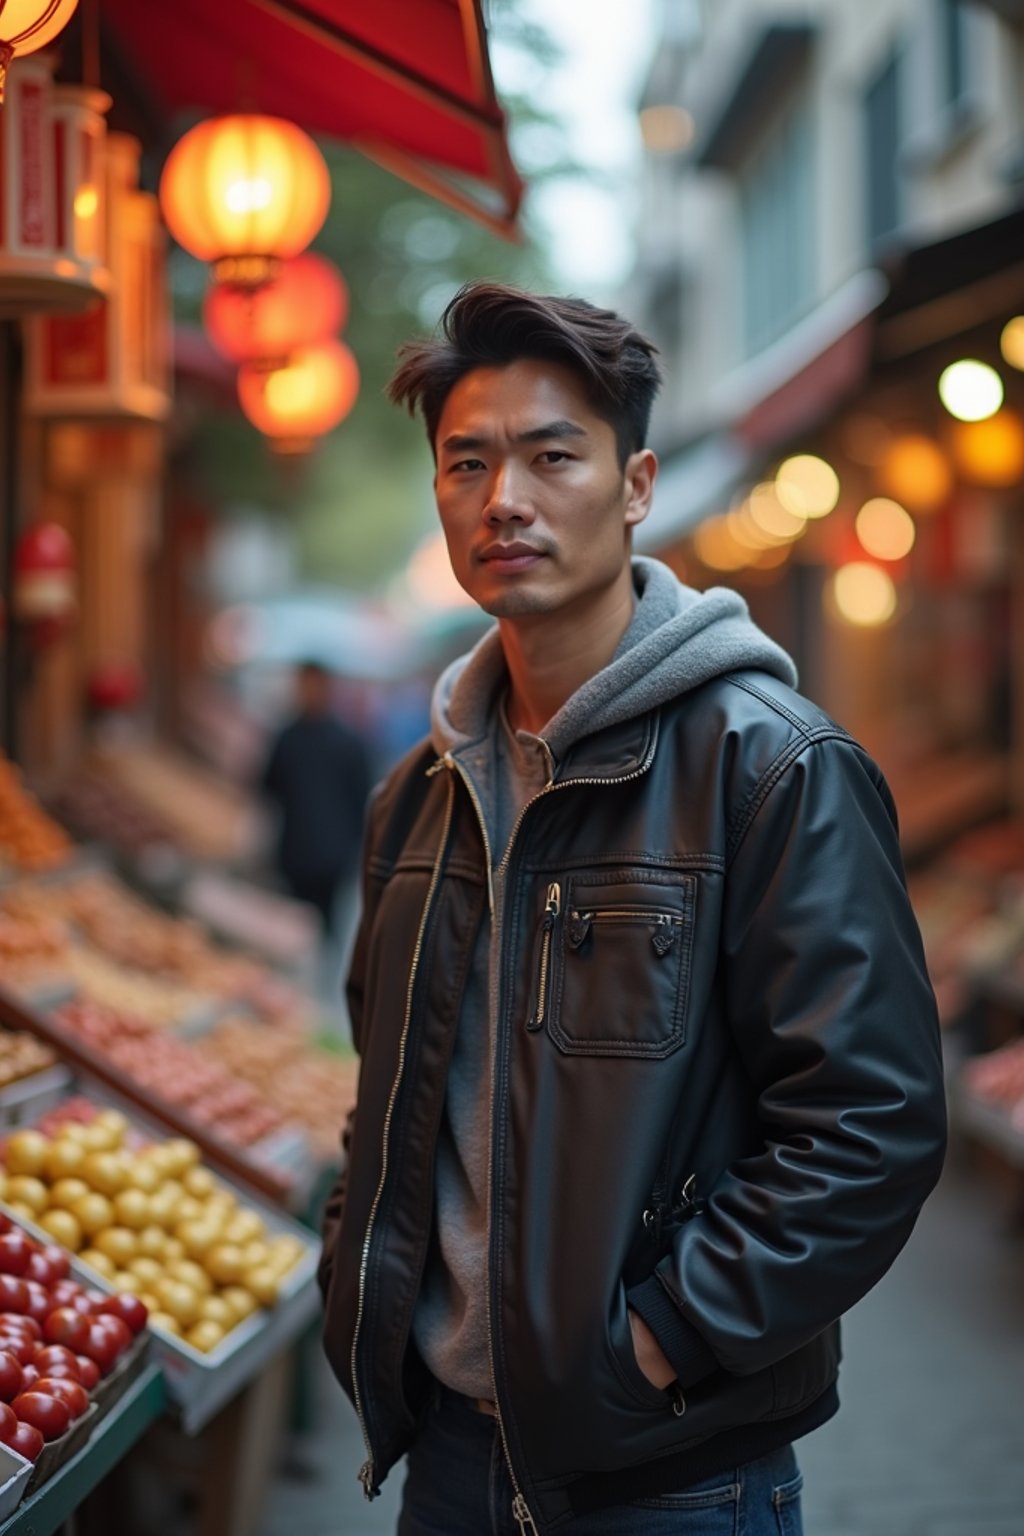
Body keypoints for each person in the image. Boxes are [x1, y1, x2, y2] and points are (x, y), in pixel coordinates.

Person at [317, 283, 947, 1536]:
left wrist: (654, 1344)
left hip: (670, 1476)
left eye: (553, 455)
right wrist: (362, 1287)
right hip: (440, 1459)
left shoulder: (768, 767)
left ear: (637, 484)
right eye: (468, 463)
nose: (506, 497)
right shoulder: (421, 791)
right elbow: (381, 1087)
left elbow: (868, 1127)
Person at [259, 660, 372, 933]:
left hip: (332, 854)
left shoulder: (348, 742)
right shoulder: (286, 738)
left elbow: (362, 798)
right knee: (294, 925)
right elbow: (269, 787)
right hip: (295, 852)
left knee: (324, 923)